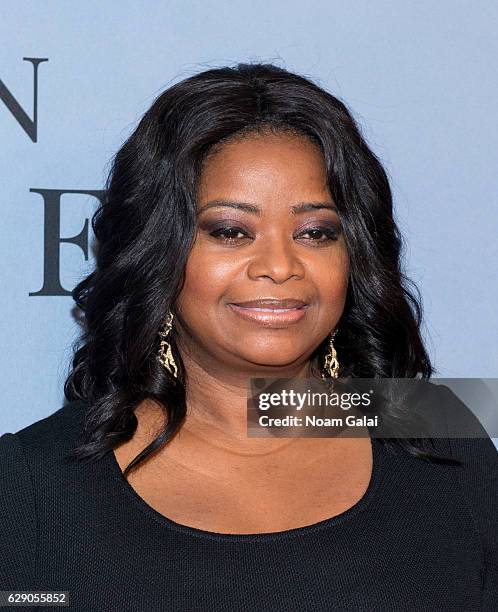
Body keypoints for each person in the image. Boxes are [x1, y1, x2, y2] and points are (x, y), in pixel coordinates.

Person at [0, 62, 496, 611]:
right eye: (231, 231)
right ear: (157, 251)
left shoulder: (436, 425)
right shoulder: (30, 481)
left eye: (315, 232)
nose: (281, 266)